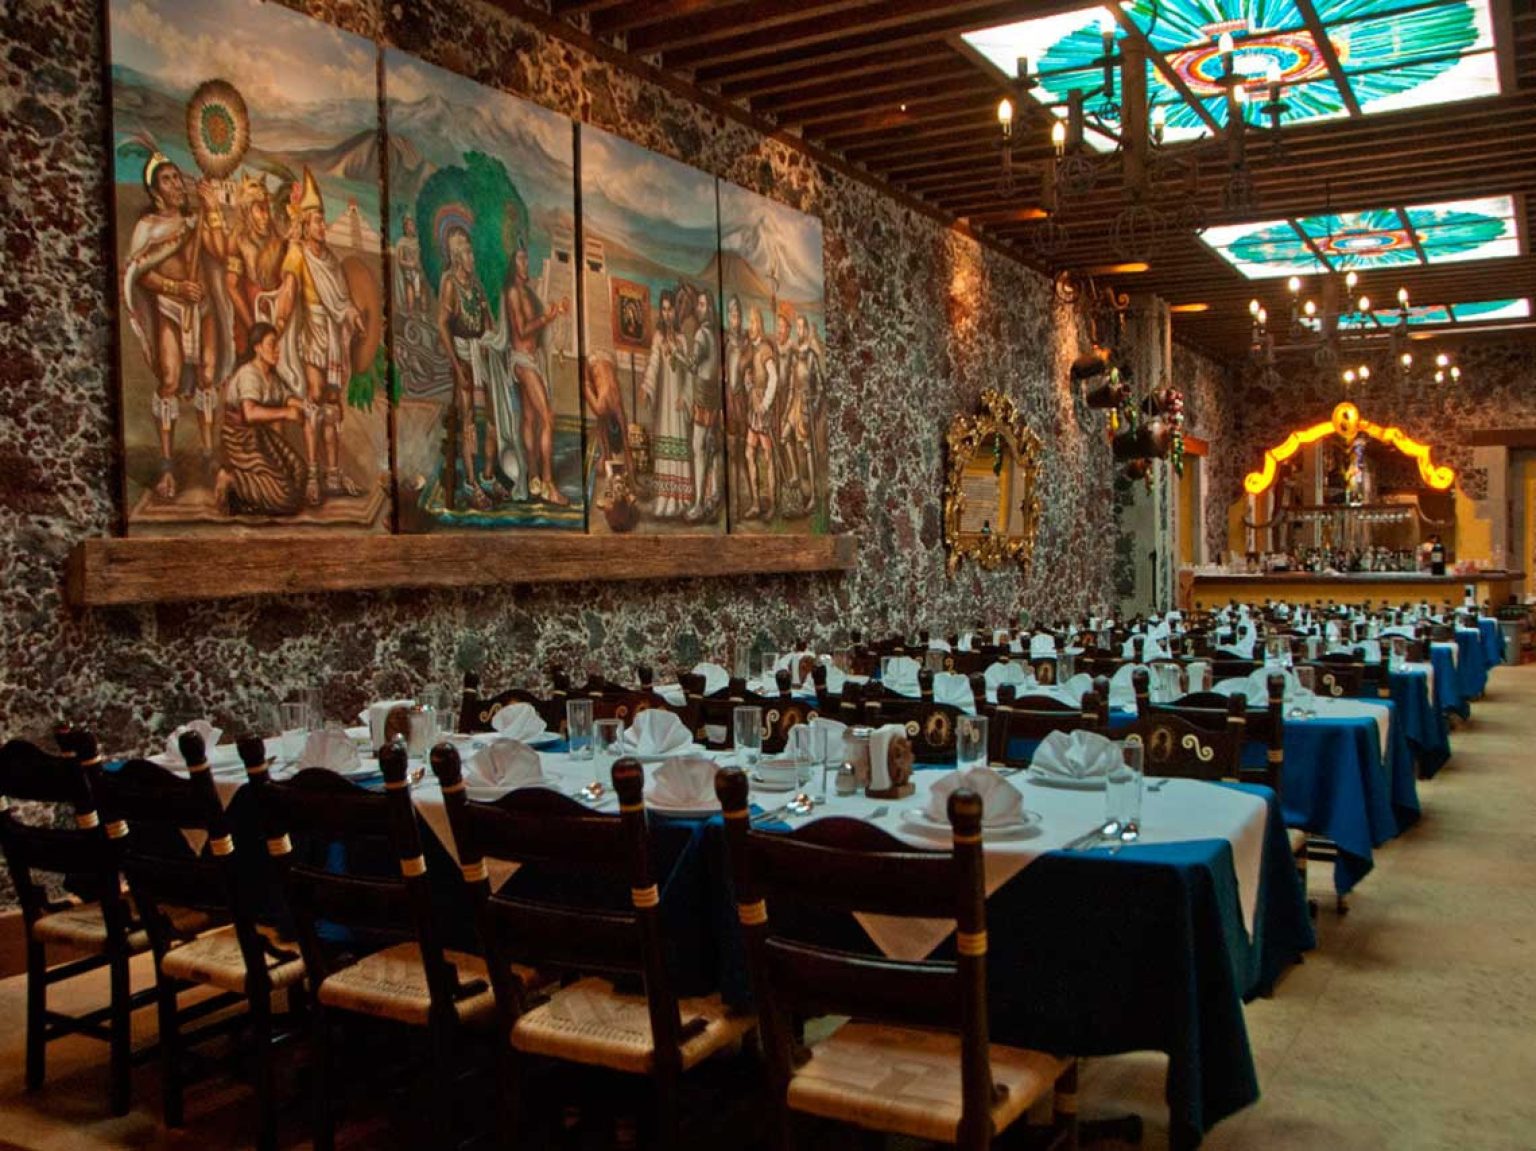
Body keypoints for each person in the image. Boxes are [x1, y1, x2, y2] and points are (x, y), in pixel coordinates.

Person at [121, 151, 234, 500]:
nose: (176, 184)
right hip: (170, 308)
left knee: (207, 376)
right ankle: (167, 465)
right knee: (169, 380)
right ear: (155, 192)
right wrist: (176, 287)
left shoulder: (195, 220)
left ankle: (209, 454)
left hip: (203, 308)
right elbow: (140, 273)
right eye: (166, 180)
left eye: (176, 177)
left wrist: (212, 209)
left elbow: (221, 251)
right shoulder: (149, 227)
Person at [272, 168, 365, 506]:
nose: (323, 226)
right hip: (311, 332)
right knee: (313, 398)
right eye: (318, 221)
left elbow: (343, 300)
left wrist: (353, 315)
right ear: (305, 224)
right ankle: (312, 474)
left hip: (334, 337)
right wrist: (277, 328)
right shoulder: (297, 254)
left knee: (332, 404)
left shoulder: (332, 260)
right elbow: (288, 293)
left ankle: (333, 474)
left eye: (324, 221)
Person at [435, 226, 503, 510]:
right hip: (463, 355)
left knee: (493, 418)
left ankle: (487, 476)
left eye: (472, 252)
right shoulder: (450, 284)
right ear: (456, 256)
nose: (472, 257)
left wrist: (491, 339)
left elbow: (487, 319)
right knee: (469, 423)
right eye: (467, 252)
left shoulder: (476, 284)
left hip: (480, 355)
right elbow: (442, 325)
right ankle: (471, 483)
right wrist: (456, 364)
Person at [212, 322, 309, 516]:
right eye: (272, 344)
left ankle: (246, 493)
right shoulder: (249, 373)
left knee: (299, 471)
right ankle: (232, 480)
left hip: (259, 436)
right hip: (240, 440)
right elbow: (250, 414)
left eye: (277, 345)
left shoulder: (270, 375)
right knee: (285, 497)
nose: (277, 350)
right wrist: (286, 413)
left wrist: (308, 406)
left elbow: (285, 397)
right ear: (257, 348)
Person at [504, 240, 571, 505]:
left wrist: (556, 312)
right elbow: (521, 331)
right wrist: (547, 318)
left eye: (526, 258)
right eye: (520, 259)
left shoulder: (527, 292)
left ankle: (533, 476)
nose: (525, 263)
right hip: (523, 362)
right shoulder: (513, 293)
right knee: (548, 417)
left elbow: (538, 324)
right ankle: (548, 484)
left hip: (531, 359)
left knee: (531, 417)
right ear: (513, 264)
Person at [640, 290, 693, 518]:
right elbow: (653, 364)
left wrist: (685, 396)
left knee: (678, 445)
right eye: (663, 309)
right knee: (664, 447)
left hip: (677, 400)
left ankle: (678, 500)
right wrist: (647, 387)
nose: (667, 313)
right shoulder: (658, 338)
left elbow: (688, 372)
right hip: (664, 401)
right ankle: (664, 499)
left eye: (670, 309)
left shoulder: (682, 339)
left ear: (675, 312)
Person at [225, 173, 285, 358]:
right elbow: (231, 286)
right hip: (251, 313)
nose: (265, 216)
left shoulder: (275, 236)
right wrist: (253, 328)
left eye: (267, 209)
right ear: (247, 211)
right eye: (260, 209)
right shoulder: (238, 239)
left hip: (277, 310)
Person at [684, 289, 721, 521]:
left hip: (703, 398)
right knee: (710, 448)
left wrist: (679, 356)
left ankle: (698, 503)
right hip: (712, 397)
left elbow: (692, 363)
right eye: (698, 304)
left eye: (702, 304)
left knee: (698, 449)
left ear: (709, 308)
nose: (699, 308)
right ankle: (713, 494)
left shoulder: (700, 334)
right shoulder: (713, 335)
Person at [742, 306, 779, 520]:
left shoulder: (764, 349)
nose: (750, 326)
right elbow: (752, 381)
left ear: (760, 325)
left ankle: (772, 504)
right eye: (750, 322)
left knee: (767, 456)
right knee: (749, 453)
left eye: (753, 322)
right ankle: (756, 503)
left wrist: (765, 404)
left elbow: (774, 378)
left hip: (762, 410)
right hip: (753, 409)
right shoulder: (752, 349)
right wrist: (748, 383)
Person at [721, 295, 747, 521]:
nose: (735, 319)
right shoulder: (726, 342)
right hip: (729, 400)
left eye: (738, 315)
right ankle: (734, 505)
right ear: (729, 317)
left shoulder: (745, 341)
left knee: (743, 453)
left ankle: (745, 502)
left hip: (743, 402)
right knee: (732, 454)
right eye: (732, 315)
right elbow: (722, 374)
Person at [394, 213, 425, 318]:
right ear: (405, 228)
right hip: (409, 273)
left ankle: (423, 316)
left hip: (419, 271)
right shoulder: (402, 242)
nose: (412, 227)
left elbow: (422, 256)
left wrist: (419, 264)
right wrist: (410, 264)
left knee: (422, 295)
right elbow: (400, 260)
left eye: (413, 225)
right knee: (410, 294)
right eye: (409, 225)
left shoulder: (418, 241)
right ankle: (411, 315)